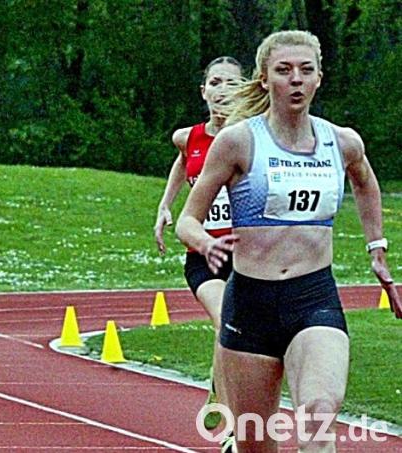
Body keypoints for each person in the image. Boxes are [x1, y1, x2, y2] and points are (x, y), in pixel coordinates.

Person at [176, 30, 402, 452]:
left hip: (312, 297)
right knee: (255, 444)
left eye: (306, 70)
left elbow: (366, 184)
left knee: (318, 415)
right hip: (250, 304)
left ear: (319, 78)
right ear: (264, 79)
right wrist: (205, 242)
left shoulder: (343, 142)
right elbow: (187, 219)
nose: (296, 79)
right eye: (284, 70)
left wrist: (377, 249)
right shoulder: (238, 141)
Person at [154, 55, 242, 434]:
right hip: (202, 256)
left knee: (244, 336)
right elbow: (181, 160)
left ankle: (216, 381)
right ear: (203, 91)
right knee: (227, 321)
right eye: (216, 83)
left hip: (246, 256)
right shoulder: (187, 136)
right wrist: (165, 205)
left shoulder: (252, 137)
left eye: (232, 84)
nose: (223, 91)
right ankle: (230, 418)